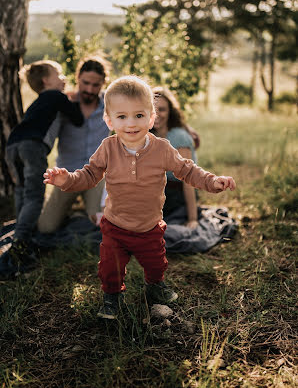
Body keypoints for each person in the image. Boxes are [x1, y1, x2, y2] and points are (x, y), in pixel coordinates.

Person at [43, 76, 236, 320]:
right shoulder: (108, 148)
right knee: (110, 268)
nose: (131, 124)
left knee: (156, 263)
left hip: (149, 226)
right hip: (115, 226)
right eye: (122, 117)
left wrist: (212, 181)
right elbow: (90, 174)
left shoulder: (162, 149)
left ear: (152, 118)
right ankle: (112, 298)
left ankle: (155, 286)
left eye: (139, 115)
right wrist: (67, 180)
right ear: (109, 120)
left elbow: (187, 170)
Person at [5, 60, 84, 270]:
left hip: (12, 146)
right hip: (32, 147)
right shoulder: (55, 96)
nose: (63, 78)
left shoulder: (38, 102)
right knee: (34, 195)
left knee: (22, 191)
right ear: (46, 81)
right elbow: (77, 119)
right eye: (58, 74)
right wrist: (74, 100)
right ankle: (21, 243)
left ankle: (22, 234)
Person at [38, 56, 110, 233]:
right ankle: (75, 211)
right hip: (67, 174)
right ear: (78, 78)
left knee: (101, 224)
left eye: (95, 85)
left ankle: (83, 210)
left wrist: (183, 126)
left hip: (96, 176)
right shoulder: (64, 104)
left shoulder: (110, 104)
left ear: (103, 83)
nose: (89, 89)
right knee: (46, 228)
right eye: (85, 83)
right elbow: (45, 134)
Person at [152, 87, 199, 228]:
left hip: (177, 195)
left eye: (162, 109)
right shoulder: (146, 135)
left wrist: (193, 219)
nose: (156, 114)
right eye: (153, 109)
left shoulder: (179, 137)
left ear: (170, 112)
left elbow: (188, 181)